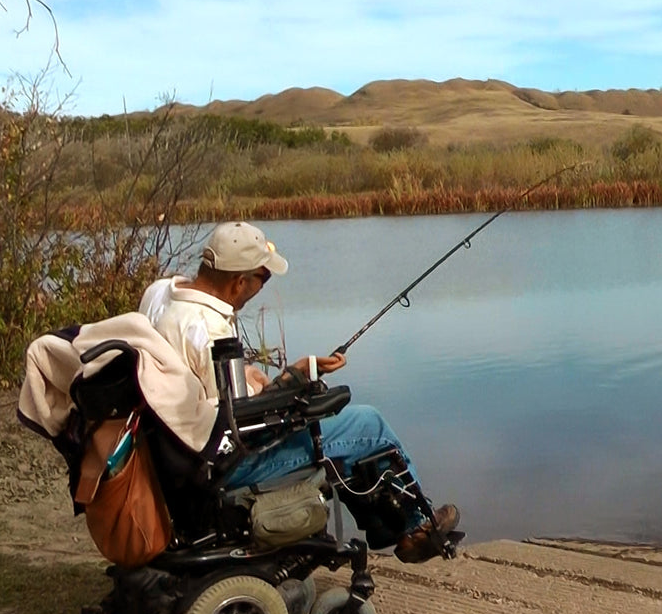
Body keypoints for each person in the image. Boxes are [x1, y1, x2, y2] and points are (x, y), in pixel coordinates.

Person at [139, 221, 459, 563]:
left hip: (181, 453)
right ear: (239, 282)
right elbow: (240, 419)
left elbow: (205, 385)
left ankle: (386, 526)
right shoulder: (207, 329)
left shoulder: (161, 296)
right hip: (226, 463)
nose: (263, 286)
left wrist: (299, 370)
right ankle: (415, 526)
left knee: (345, 433)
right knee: (369, 425)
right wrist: (292, 386)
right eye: (264, 278)